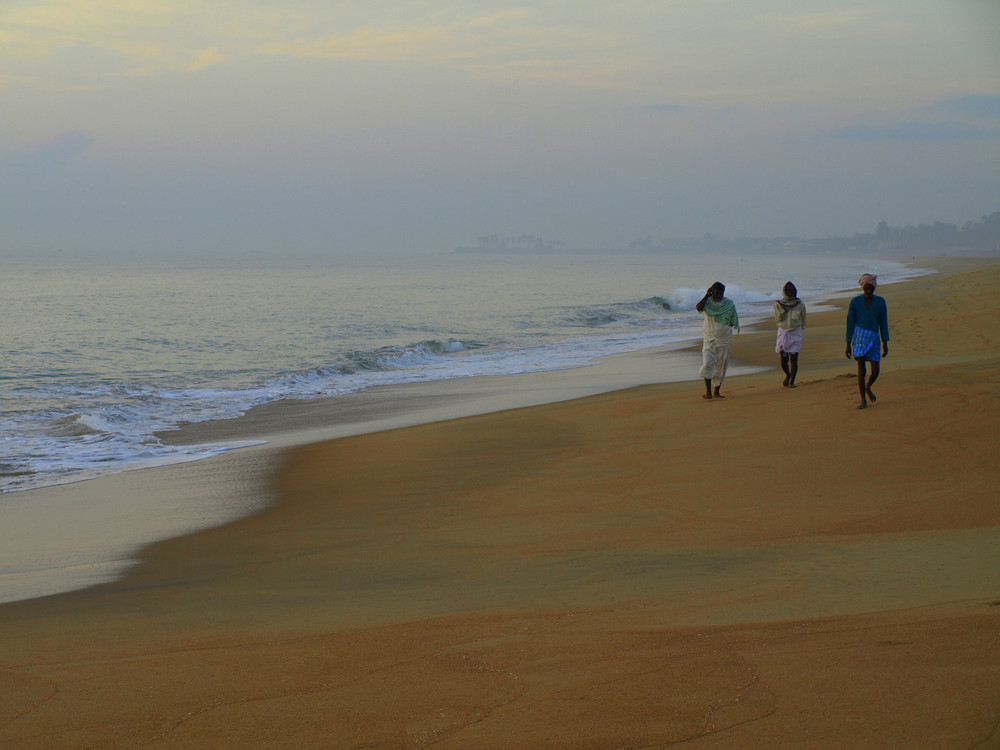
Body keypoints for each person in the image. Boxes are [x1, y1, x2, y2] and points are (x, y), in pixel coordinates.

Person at [845, 273, 889, 409]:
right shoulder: (855, 302)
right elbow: (850, 323)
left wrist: (885, 341)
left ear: (874, 287)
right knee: (861, 370)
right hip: (859, 337)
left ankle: (868, 387)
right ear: (863, 287)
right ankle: (863, 400)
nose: (869, 288)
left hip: (874, 337)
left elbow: (883, 322)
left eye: (871, 286)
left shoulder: (881, 302)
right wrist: (848, 344)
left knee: (875, 370)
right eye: (866, 286)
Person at [695, 281, 739, 399]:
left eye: (721, 292)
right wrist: (706, 295)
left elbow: (732, 319)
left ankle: (716, 392)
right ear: (712, 291)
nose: (719, 294)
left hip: (724, 340)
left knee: (721, 366)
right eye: (717, 292)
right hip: (709, 339)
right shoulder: (707, 303)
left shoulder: (729, 304)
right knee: (708, 363)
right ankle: (708, 392)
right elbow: (698, 308)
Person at [774, 281, 806, 388]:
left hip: (796, 332)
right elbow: (778, 319)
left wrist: (801, 330)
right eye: (788, 290)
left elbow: (803, 319)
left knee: (794, 359)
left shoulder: (800, 304)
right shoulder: (778, 304)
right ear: (784, 291)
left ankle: (792, 381)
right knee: (783, 360)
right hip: (783, 332)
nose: (790, 292)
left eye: (792, 290)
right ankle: (788, 375)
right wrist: (784, 309)